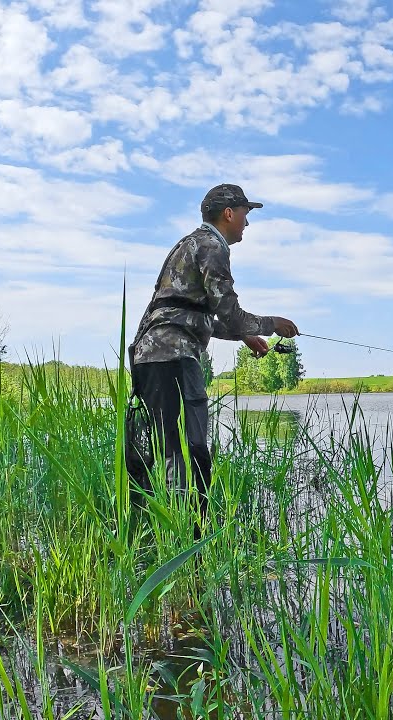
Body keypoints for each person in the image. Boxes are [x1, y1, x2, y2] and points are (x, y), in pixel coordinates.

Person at [127, 183, 298, 528]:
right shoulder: (213, 246)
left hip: (151, 357)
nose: (247, 223)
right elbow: (229, 312)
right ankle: (192, 535)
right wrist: (272, 324)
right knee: (190, 451)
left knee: (169, 449)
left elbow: (191, 314)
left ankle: (157, 529)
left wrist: (244, 336)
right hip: (174, 358)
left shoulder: (188, 244)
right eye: (246, 214)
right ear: (229, 214)